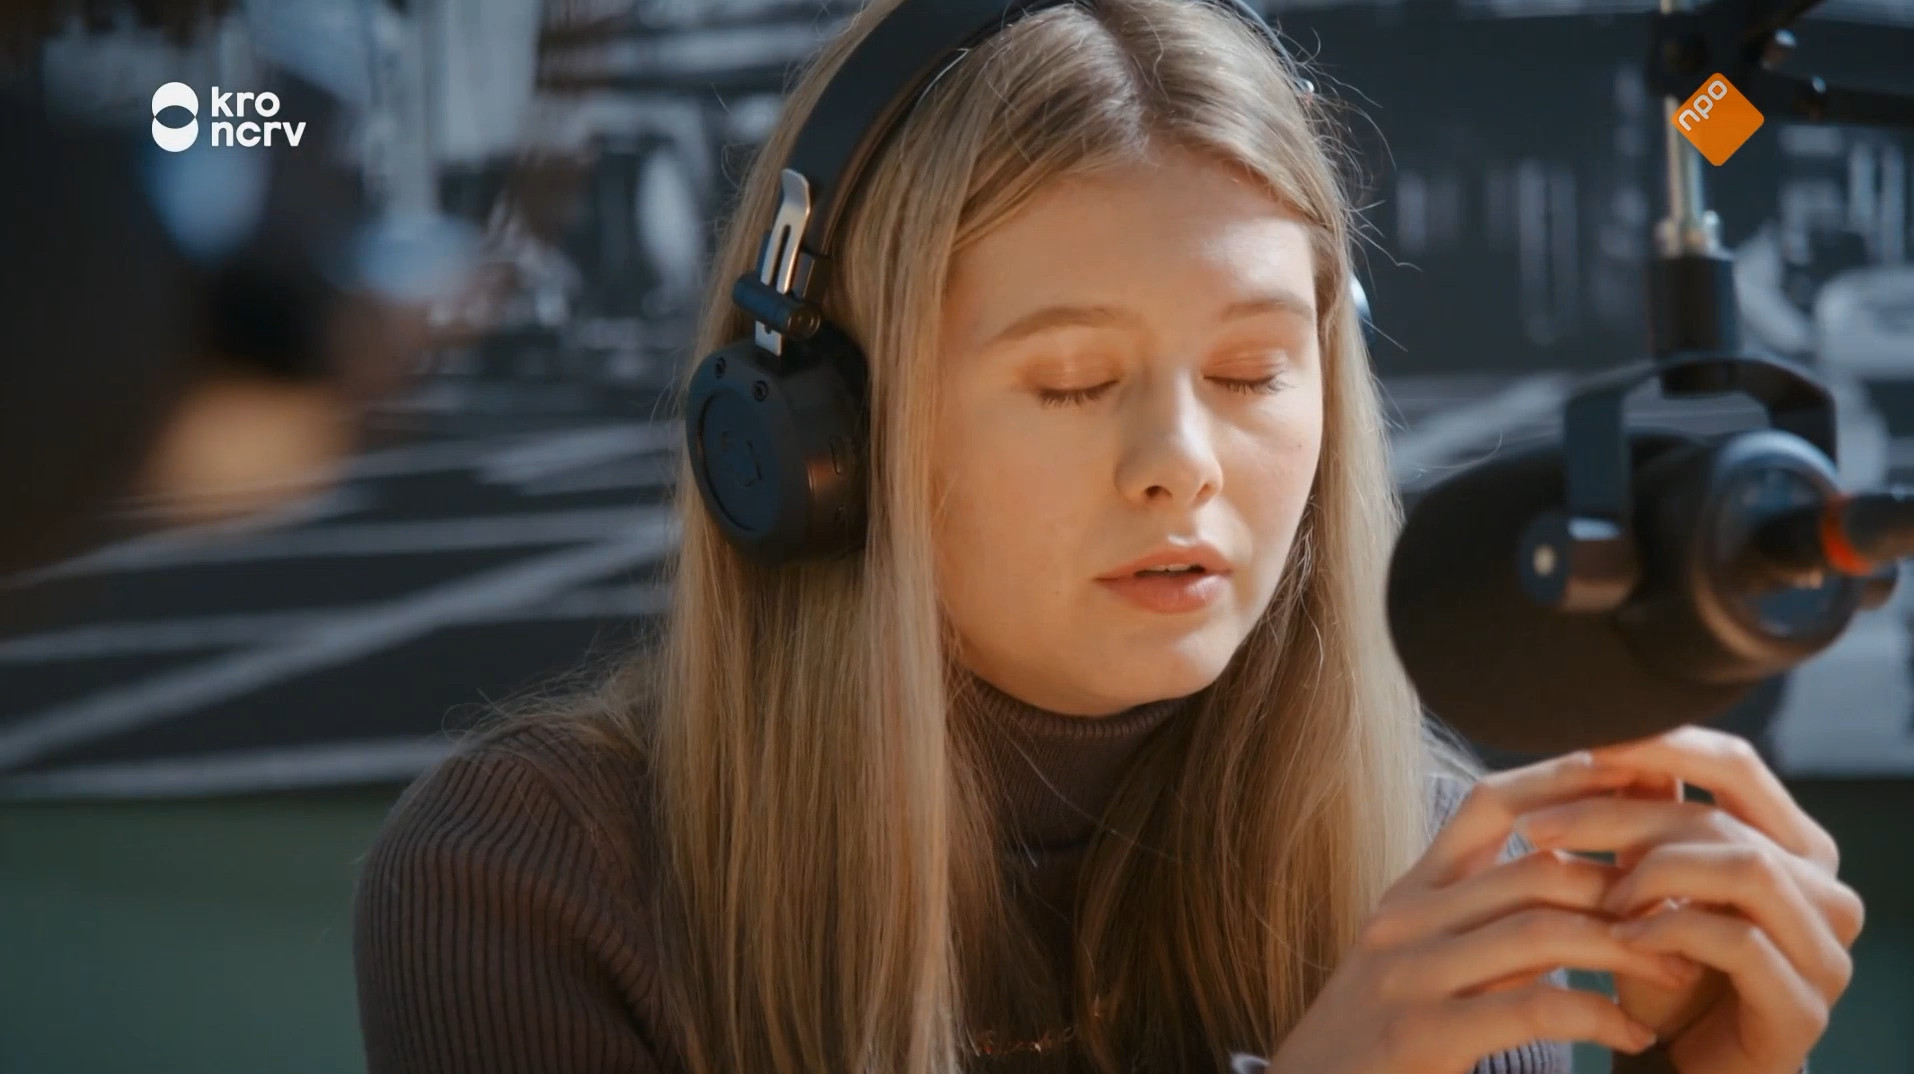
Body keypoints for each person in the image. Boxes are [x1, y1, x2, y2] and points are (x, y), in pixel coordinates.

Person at [350, 1, 1864, 1072]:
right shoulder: (525, 884)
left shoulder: (1433, 872)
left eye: (1252, 373)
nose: (1182, 467)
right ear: (822, 440)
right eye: (1074, 381)